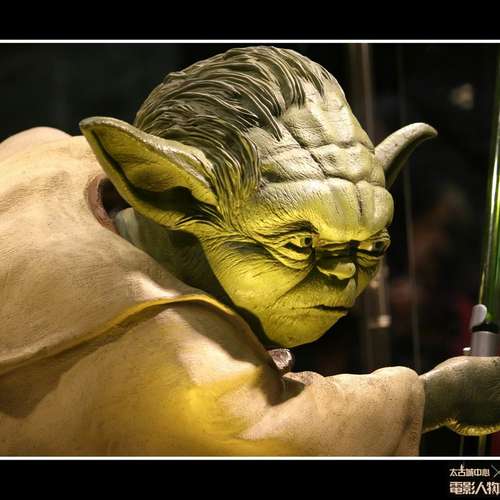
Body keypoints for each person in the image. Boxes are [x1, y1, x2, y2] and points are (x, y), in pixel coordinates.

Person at [0, 46, 499, 456]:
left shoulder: (43, 152)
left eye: (369, 246)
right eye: (300, 244)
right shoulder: (171, 359)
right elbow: (270, 431)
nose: (345, 274)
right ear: (171, 192)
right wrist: (440, 396)